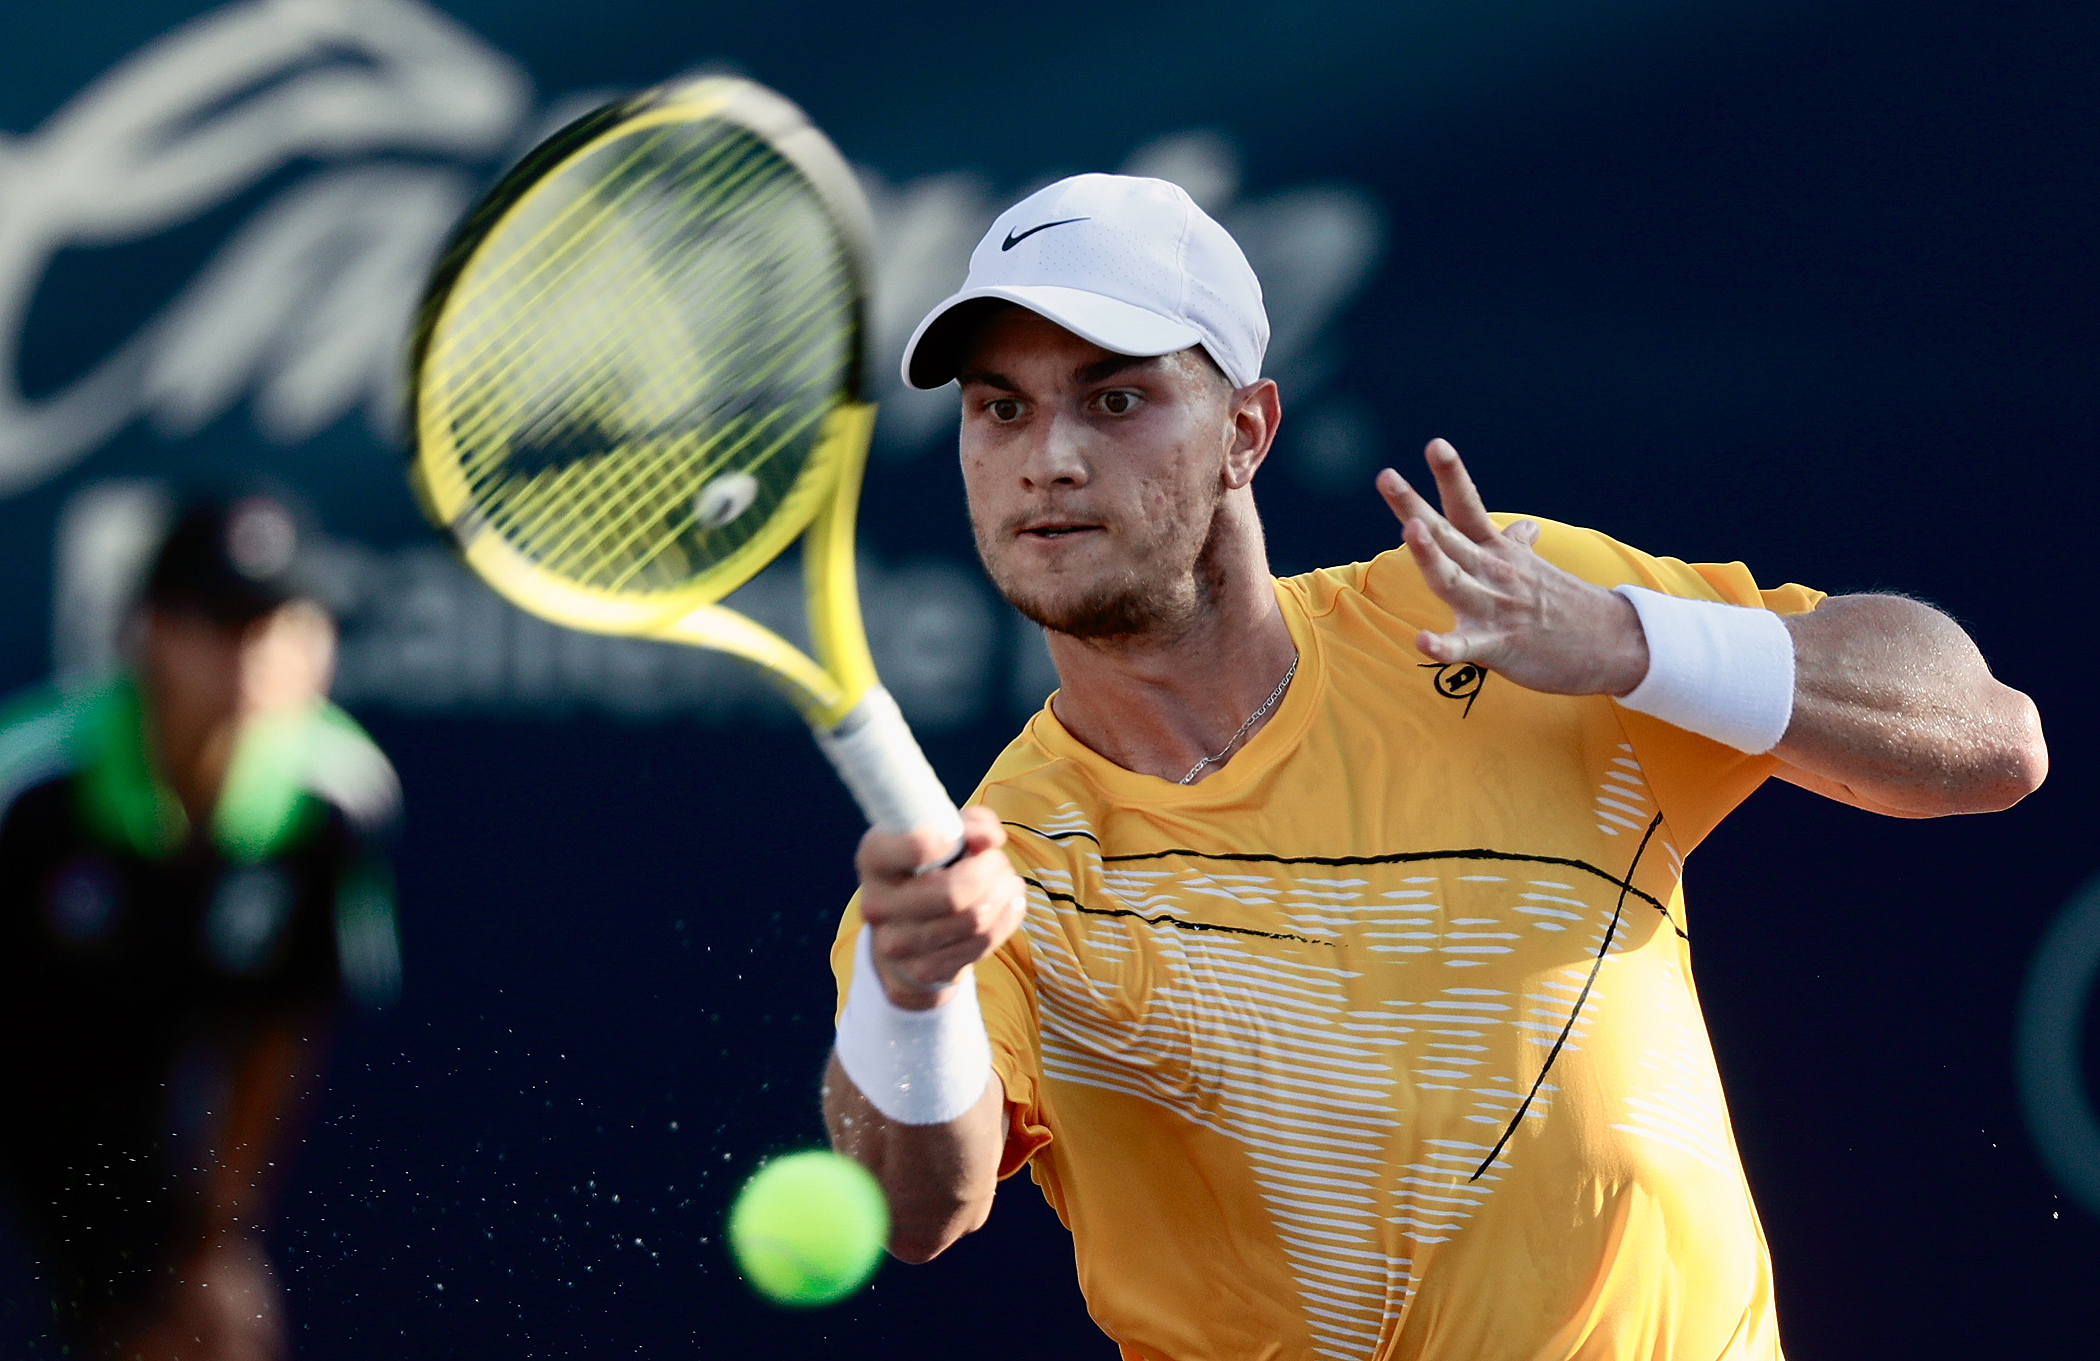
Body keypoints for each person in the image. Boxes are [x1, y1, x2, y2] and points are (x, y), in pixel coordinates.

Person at [819, 174, 2046, 1359]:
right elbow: (920, 1205)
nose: (1051, 459)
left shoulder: (1489, 611)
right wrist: (911, 993)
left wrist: (1636, 644)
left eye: (1116, 400)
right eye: (1002, 408)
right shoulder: (988, 872)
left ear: (1247, 431)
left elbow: (1988, 739)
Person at [0, 493, 401, 1360]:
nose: (255, 655)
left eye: (284, 622)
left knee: (211, 1333)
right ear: (151, 633)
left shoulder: (334, 802)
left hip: (138, 1121)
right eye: (221, 622)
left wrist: (214, 1234)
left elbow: (283, 1025)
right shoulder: (25, 791)